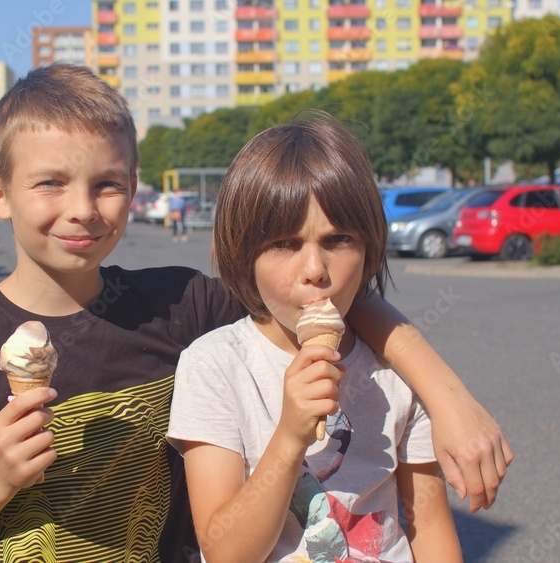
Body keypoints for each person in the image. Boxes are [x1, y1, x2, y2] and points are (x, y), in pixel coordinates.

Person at [0, 63, 509, 562]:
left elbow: (317, 295)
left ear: (132, 188)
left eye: (108, 184)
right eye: (49, 183)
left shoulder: (177, 303)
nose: (83, 209)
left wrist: (446, 399)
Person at [168, 112, 462, 561]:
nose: (314, 271)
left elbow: (431, 526)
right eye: (284, 244)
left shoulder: (397, 370)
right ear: (243, 254)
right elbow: (225, 550)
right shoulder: (215, 365)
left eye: (338, 239)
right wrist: (289, 437)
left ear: (369, 248)